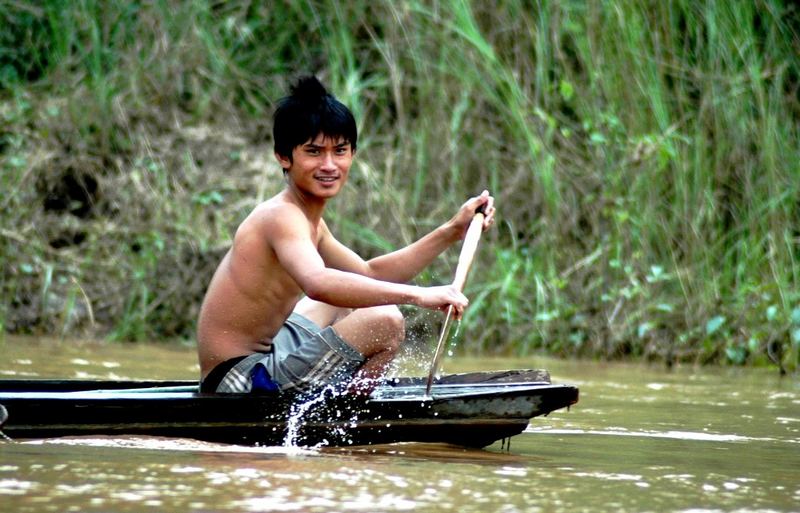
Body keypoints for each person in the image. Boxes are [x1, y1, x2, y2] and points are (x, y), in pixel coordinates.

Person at [196, 75, 495, 394]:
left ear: (352, 153)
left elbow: (370, 273)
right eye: (313, 152)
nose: (329, 165)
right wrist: (419, 296)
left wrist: (451, 230)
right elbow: (319, 283)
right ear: (284, 157)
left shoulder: (309, 221)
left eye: (340, 151)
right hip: (235, 381)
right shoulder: (281, 216)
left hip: (267, 355)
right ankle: (351, 412)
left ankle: (351, 398)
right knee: (386, 320)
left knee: (352, 302)